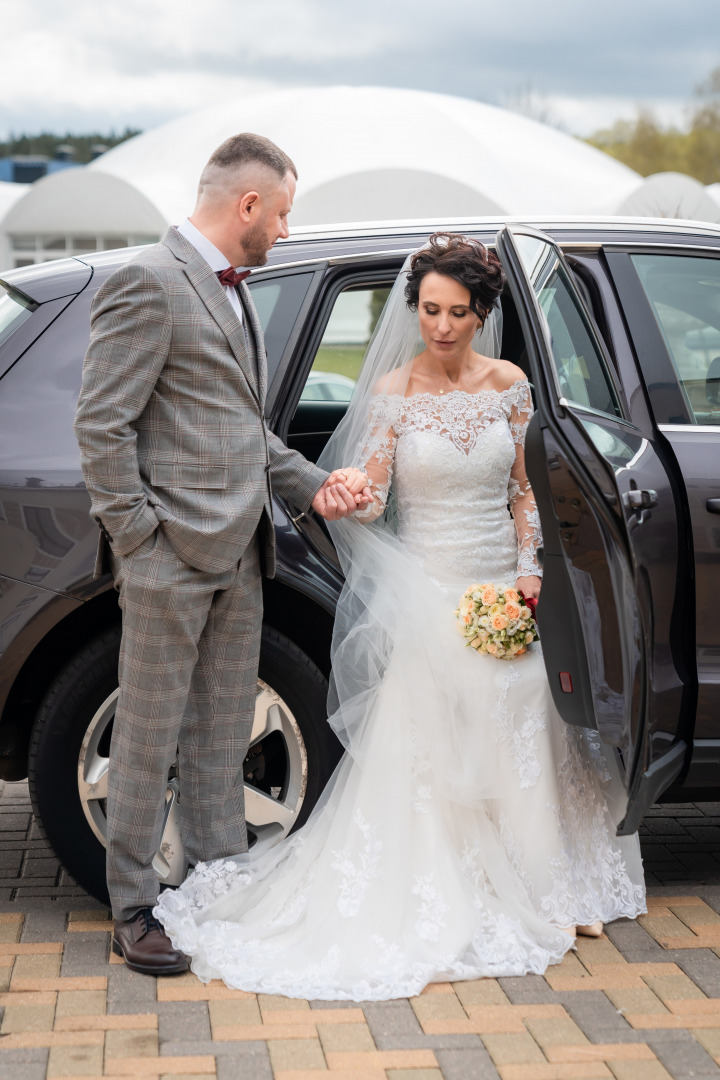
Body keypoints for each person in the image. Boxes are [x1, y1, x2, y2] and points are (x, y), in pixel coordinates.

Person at [154, 233, 646, 999]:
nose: (440, 326)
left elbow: (523, 490)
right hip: (429, 588)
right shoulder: (393, 390)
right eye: (427, 310)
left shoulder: (510, 383)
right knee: (441, 728)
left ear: (482, 314)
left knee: (526, 716)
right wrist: (345, 489)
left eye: (456, 312)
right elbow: (377, 496)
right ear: (413, 308)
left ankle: (554, 887)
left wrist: (529, 573)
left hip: (501, 585)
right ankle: (466, 887)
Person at [74, 133, 370, 976]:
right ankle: (133, 905)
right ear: (247, 204)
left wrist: (315, 486)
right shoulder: (149, 281)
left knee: (217, 731)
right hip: (171, 557)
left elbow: (240, 432)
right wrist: (141, 541)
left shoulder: (234, 292)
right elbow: (101, 425)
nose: (283, 229)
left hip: (243, 555)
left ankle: (211, 884)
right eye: (280, 213)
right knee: (148, 733)